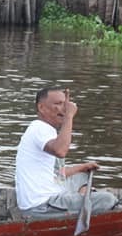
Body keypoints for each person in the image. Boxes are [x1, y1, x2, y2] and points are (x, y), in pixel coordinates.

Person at [15, 87, 116, 215]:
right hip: (42, 205)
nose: (64, 108)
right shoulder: (39, 128)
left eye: (65, 104)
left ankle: (80, 204)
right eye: (58, 104)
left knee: (81, 175)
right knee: (108, 199)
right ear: (41, 108)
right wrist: (69, 116)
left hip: (46, 197)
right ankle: (81, 206)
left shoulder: (46, 130)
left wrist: (82, 167)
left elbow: (58, 174)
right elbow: (60, 151)